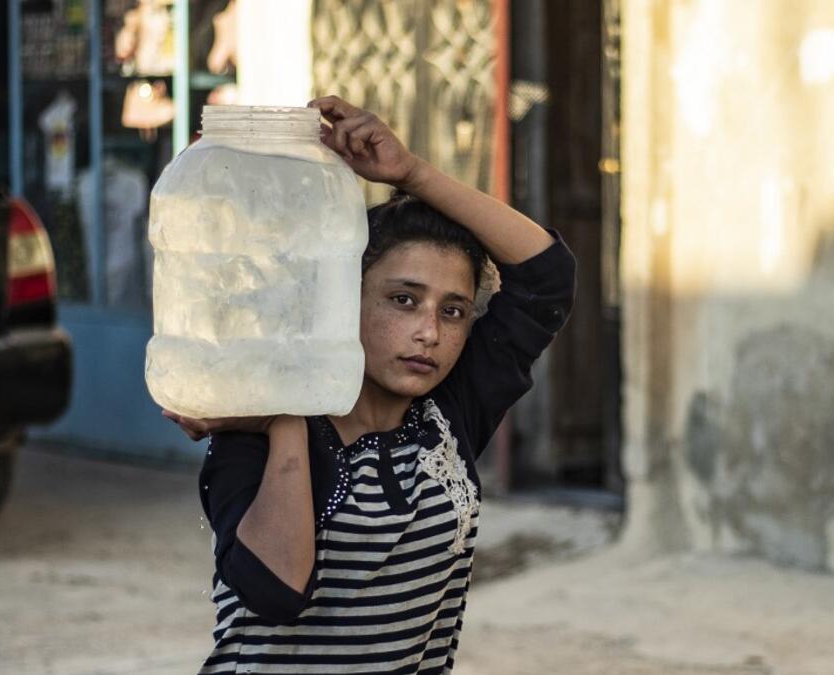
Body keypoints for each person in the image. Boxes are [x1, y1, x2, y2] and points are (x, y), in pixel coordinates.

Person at [162, 95, 576, 674]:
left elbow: (547, 276)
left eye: (453, 311)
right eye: (402, 300)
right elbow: (275, 592)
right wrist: (284, 418)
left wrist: (412, 174)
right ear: (341, 298)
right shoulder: (254, 430)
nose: (428, 332)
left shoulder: (450, 414)